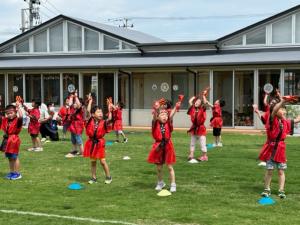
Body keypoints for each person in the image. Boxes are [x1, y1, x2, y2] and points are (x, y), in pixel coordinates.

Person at [259, 96, 300, 199]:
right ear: (276, 111)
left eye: (284, 110)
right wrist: (283, 101)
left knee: (281, 171)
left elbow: (297, 120)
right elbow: (275, 109)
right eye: (282, 110)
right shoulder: (272, 119)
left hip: (281, 150)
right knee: (270, 170)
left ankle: (281, 190)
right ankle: (267, 189)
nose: (284, 112)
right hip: (271, 150)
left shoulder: (284, 122)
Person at [147, 98, 181, 192]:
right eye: (162, 114)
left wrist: (176, 106)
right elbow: (154, 117)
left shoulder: (168, 123)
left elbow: (172, 114)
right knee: (159, 168)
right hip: (158, 146)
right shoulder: (155, 122)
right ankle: (160, 182)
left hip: (168, 145)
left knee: (170, 166)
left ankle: (173, 184)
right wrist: (157, 109)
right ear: (158, 116)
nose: (164, 116)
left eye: (166, 114)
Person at [83, 94, 113, 184]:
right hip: (91, 143)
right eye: (98, 112)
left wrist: (109, 108)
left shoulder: (103, 122)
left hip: (99, 143)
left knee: (103, 161)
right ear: (93, 114)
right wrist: (90, 101)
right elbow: (87, 112)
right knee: (93, 162)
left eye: (101, 112)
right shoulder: (89, 120)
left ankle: (108, 177)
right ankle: (93, 178)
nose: (100, 113)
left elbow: (110, 118)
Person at [0, 102, 23, 180]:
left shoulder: (17, 120)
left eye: (11, 113)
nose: (9, 115)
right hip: (7, 139)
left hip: (14, 140)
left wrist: (18, 108)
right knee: (9, 157)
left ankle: (17, 173)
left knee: (14, 157)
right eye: (8, 113)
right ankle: (12, 172)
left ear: (15, 112)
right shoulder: (6, 120)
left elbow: (21, 117)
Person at [187, 91, 209, 162]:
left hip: (201, 128)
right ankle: (191, 154)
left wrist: (204, 95)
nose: (196, 102)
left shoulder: (202, 109)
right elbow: (190, 101)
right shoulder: (192, 108)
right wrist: (194, 97)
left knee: (202, 143)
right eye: (196, 101)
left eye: (199, 102)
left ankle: (205, 156)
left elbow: (205, 103)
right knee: (192, 142)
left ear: (201, 104)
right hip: (194, 128)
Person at [65, 92, 84, 158]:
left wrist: (75, 97)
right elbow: (70, 104)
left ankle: (82, 152)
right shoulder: (73, 108)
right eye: (74, 103)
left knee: (78, 139)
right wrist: (71, 96)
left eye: (75, 103)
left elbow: (78, 104)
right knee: (73, 139)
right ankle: (75, 150)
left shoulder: (80, 109)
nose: (74, 104)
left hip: (78, 126)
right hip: (73, 125)